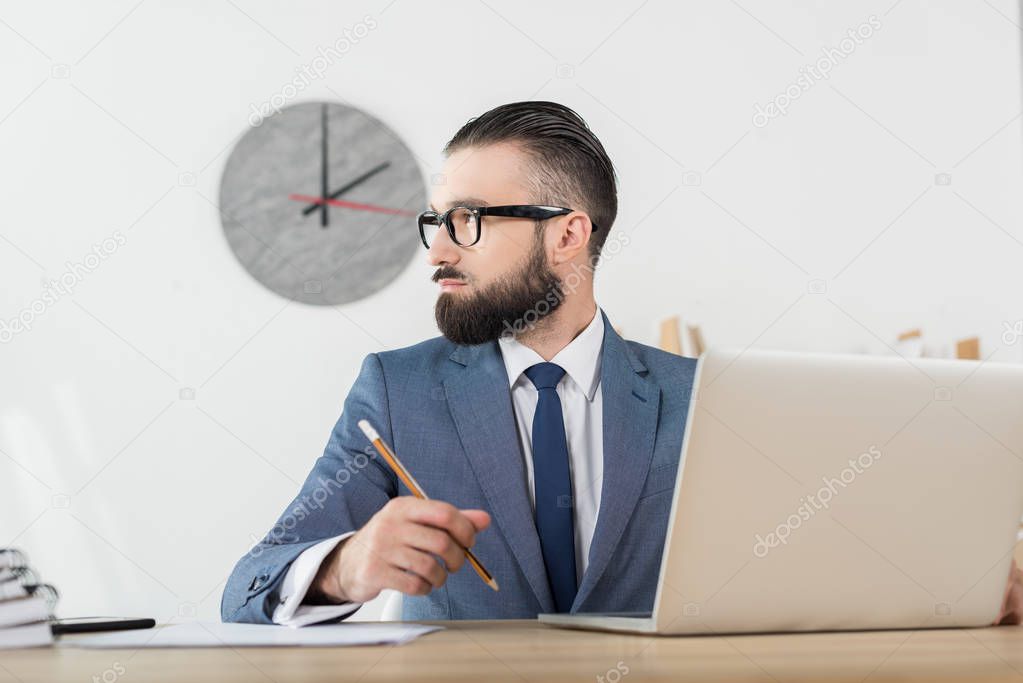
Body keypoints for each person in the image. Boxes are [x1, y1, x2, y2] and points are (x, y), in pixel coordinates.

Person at [220, 101, 1022, 626]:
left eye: (467, 220)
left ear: (567, 234)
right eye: (435, 220)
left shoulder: (705, 399)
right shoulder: (396, 391)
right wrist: (343, 566)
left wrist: (973, 588)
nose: (436, 248)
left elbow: (821, 574)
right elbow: (247, 583)